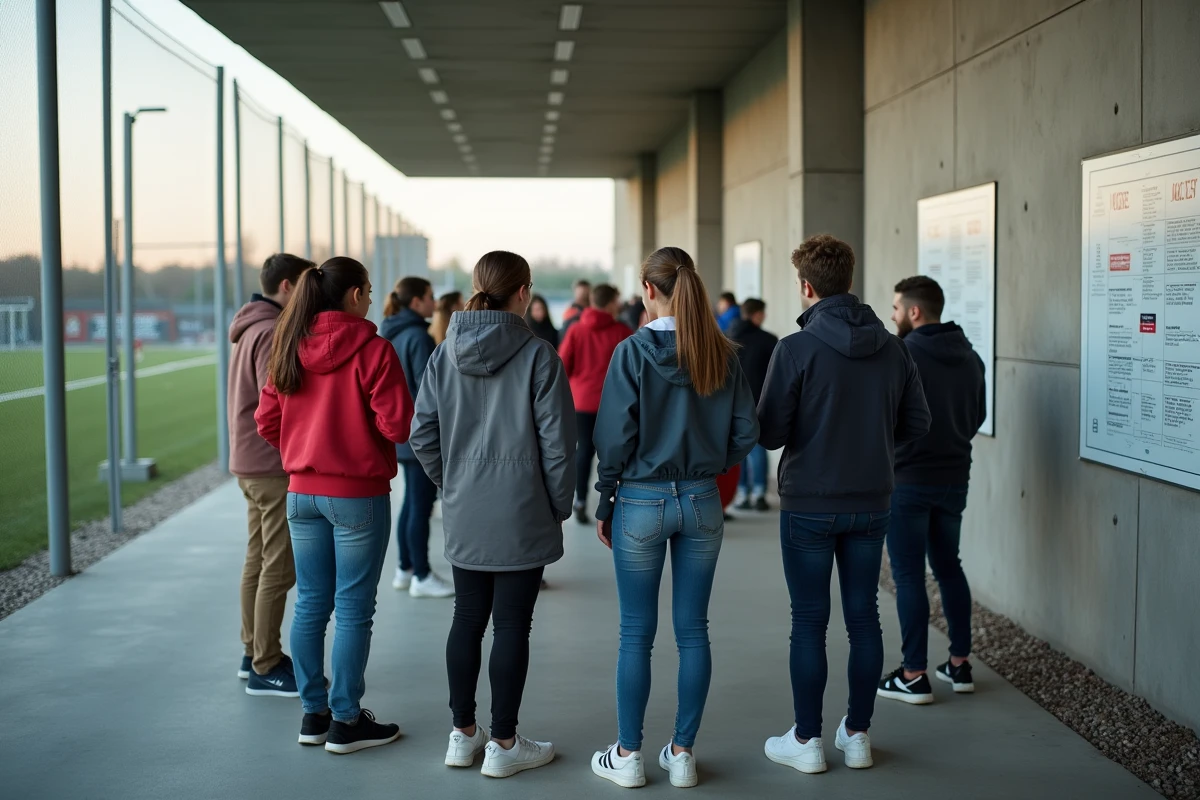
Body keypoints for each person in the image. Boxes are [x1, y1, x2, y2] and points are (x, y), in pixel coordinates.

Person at [758, 234, 930, 774]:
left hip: (807, 503)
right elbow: (918, 424)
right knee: (864, 620)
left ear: (807, 287)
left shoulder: (795, 348)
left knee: (808, 622)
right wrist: (874, 450)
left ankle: (807, 741)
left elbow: (768, 433)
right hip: (873, 502)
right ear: (848, 283)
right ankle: (857, 736)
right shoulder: (894, 347)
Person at [590, 247, 760, 789]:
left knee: (635, 633)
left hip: (639, 501)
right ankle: (682, 754)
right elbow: (746, 434)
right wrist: (710, 466)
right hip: (702, 499)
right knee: (694, 632)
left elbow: (613, 438)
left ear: (647, 288)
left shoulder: (631, 353)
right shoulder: (722, 352)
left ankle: (629, 755)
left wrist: (605, 498)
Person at [410, 251, 576, 779]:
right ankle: (504, 742)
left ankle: (463, 735)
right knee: (511, 625)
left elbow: (421, 434)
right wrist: (558, 504)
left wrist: (453, 483)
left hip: (466, 509)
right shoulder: (539, 355)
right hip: (522, 509)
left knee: (467, 617)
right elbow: (558, 445)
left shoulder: (443, 353)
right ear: (523, 292)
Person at [255, 256, 413, 754]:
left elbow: (267, 420)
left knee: (310, 605)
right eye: (367, 289)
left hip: (300, 494)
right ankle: (346, 721)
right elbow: (398, 426)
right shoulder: (373, 348)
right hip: (357, 497)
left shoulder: (288, 344)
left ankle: (313, 714)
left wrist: (303, 448)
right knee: (352, 610)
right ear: (352, 295)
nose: (371, 297)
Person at [877, 275, 986, 705]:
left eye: (896, 307)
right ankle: (959, 666)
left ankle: (913, 674)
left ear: (914, 311)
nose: (893, 314)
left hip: (907, 481)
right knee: (948, 567)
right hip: (955, 478)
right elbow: (977, 416)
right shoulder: (971, 357)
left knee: (907, 575)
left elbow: (886, 416)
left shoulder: (901, 355)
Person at [229, 252, 313, 698]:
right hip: (269, 464)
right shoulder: (272, 331)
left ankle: (252, 653)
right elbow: (275, 403)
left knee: (257, 560)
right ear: (286, 287)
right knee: (278, 568)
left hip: (248, 464)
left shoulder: (249, 326)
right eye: (304, 284)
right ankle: (266, 663)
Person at [381, 277, 454, 599]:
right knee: (419, 506)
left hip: (402, 432)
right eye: (429, 296)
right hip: (419, 435)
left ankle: (405, 568)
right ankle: (421, 574)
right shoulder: (418, 337)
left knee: (411, 502)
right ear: (415, 303)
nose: (434, 303)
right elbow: (430, 391)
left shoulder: (392, 333)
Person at [559, 283, 631, 523]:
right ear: (610, 303)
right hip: (614, 404)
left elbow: (563, 365)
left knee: (584, 453)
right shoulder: (622, 331)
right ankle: (614, 502)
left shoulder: (575, 329)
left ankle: (580, 500)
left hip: (581, 402)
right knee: (614, 454)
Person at [729, 298, 778, 512]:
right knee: (758, 448)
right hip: (761, 400)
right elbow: (776, 374)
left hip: (733, 402)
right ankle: (759, 492)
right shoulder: (768, 340)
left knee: (738, 449)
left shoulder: (730, 337)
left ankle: (741, 493)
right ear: (757, 314)